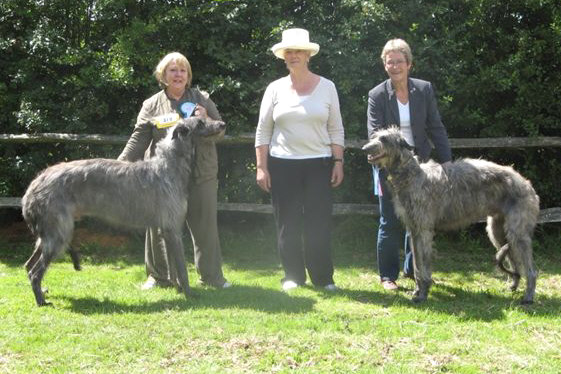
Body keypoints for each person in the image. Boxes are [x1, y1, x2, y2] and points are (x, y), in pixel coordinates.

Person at [118, 52, 231, 289]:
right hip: (162, 178)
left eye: (182, 70)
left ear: (188, 76)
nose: (178, 74)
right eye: (173, 70)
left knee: (205, 227)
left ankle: (211, 277)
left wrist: (206, 116)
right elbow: (138, 140)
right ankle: (159, 277)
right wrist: (118, 167)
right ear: (163, 75)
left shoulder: (201, 99)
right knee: (159, 226)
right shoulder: (152, 105)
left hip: (201, 173)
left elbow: (219, 130)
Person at [255, 28, 345, 291]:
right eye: (289, 52)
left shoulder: (327, 87)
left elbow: (336, 129)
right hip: (282, 164)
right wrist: (262, 167)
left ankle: (323, 278)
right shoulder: (274, 89)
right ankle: (292, 276)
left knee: (319, 223)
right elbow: (263, 131)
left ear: (308, 55)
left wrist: (338, 161)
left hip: (319, 163)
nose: (293, 55)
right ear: (284, 57)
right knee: (287, 224)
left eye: (298, 51)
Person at [367, 39, 452, 290]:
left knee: (419, 219)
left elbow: (436, 127)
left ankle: (414, 271)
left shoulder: (424, 90)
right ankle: (387, 276)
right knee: (389, 219)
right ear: (384, 65)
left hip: (421, 166)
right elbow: (376, 132)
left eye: (399, 61)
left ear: (409, 64)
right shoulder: (377, 95)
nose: (395, 66)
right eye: (389, 62)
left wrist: (447, 163)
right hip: (389, 165)